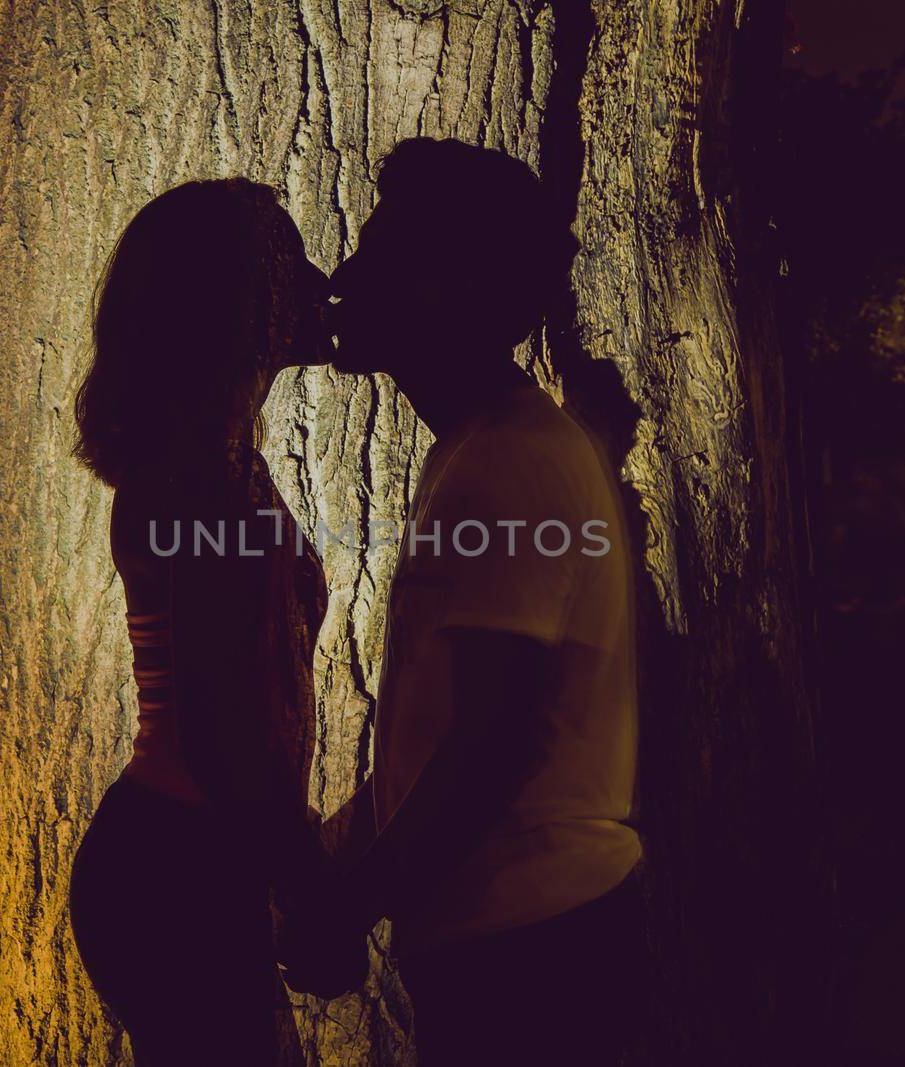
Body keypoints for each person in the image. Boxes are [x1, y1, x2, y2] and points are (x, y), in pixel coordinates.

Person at [280, 139, 645, 1064]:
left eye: (378, 252)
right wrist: (345, 848)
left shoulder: (506, 466)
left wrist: (345, 911)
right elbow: (453, 726)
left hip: (529, 951)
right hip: (528, 929)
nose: (346, 275)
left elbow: (489, 742)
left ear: (442, 288)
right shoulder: (487, 447)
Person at [67, 179, 357, 1066]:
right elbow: (223, 724)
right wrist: (306, 889)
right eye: (285, 264)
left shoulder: (219, 466)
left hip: (183, 856)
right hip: (179, 868)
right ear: (232, 303)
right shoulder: (198, 481)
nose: (319, 283)